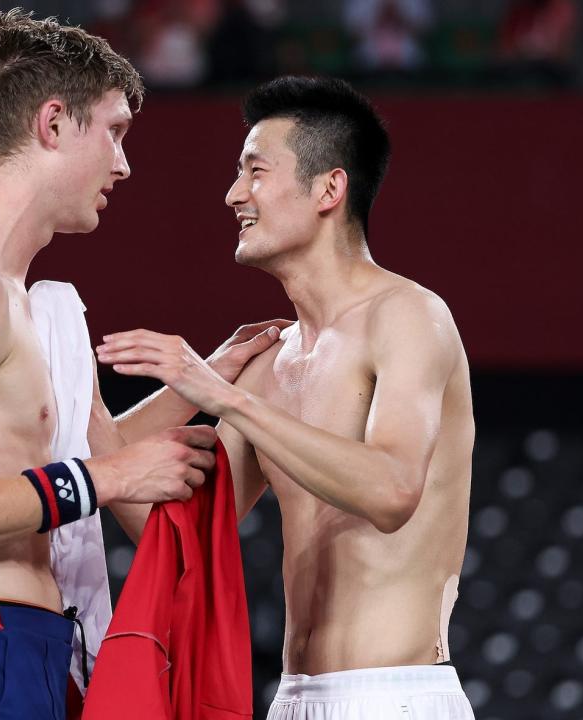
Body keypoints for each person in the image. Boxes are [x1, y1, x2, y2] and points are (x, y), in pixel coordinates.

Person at [0, 10, 283, 719]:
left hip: (14, 648)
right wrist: (111, 479)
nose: (123, 163)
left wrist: (204, 381)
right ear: (53, 124)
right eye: (113, 132)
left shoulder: (9, 294)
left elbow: (62, 445)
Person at [97, 76, 476, 719]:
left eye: (255, 171)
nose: (234, 194)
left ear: (329, 188)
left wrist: (227, 397)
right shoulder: (266, 362)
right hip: (292, 699)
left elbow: (390, 491)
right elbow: (171, 532)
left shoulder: (410, 316)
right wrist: (73, 403)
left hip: (397, 694)